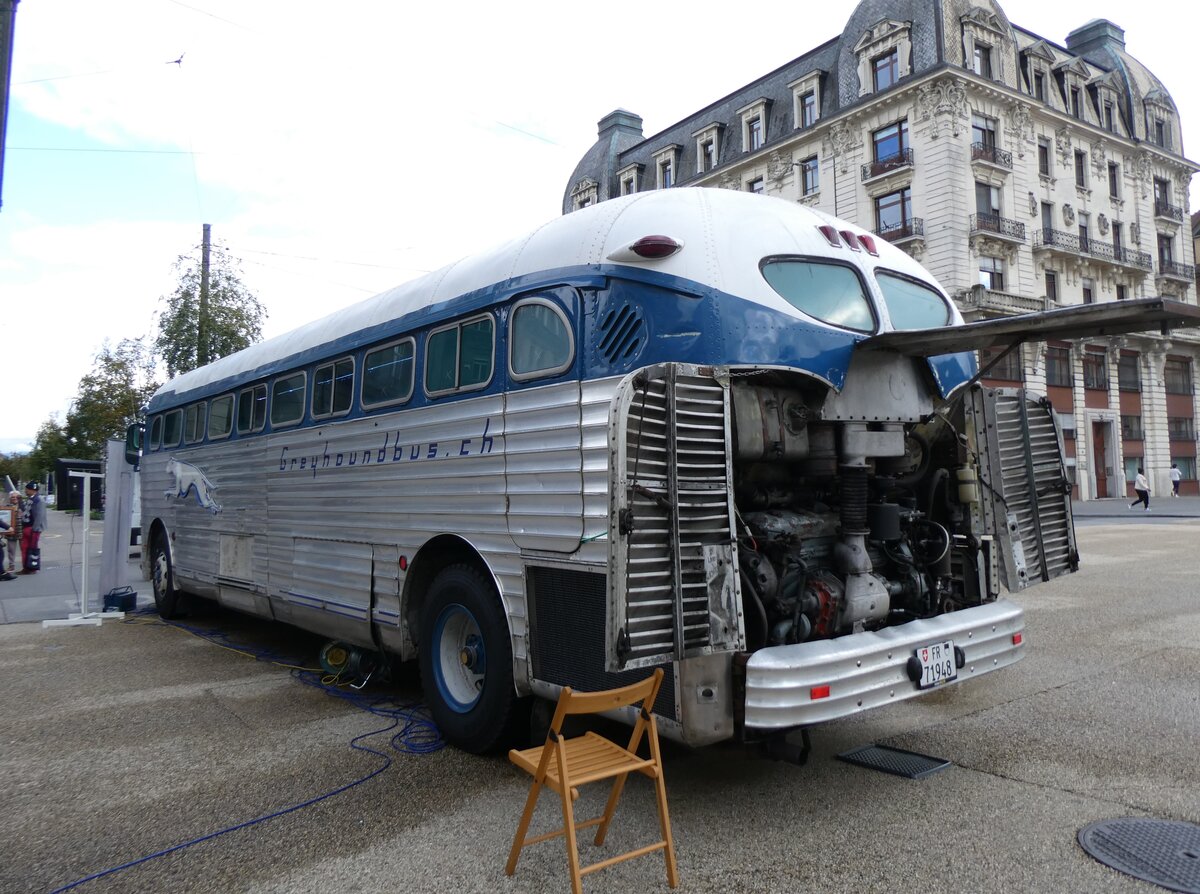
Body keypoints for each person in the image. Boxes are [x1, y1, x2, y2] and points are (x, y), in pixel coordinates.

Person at [20, 481, 47, 573]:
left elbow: (40, 516)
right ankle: (26, 567)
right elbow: (26, 510)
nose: (26, 491)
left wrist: (34, 529)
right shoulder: (30, 499)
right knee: (25, 548)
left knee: (32, 548)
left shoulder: (39, 500)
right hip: (27, 526)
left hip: (33, 528)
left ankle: (32, 567)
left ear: (33, 490)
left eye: (27, 489)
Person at [1, 492, 20, 580]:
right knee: (5, 551)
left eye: (16, 497)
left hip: (20, 530)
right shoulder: (6, 507)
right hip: (11, 532)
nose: (14, 498)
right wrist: (7, 527)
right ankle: (4, 571)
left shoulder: (23, 506)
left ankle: (2, 572)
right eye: (12, 497)